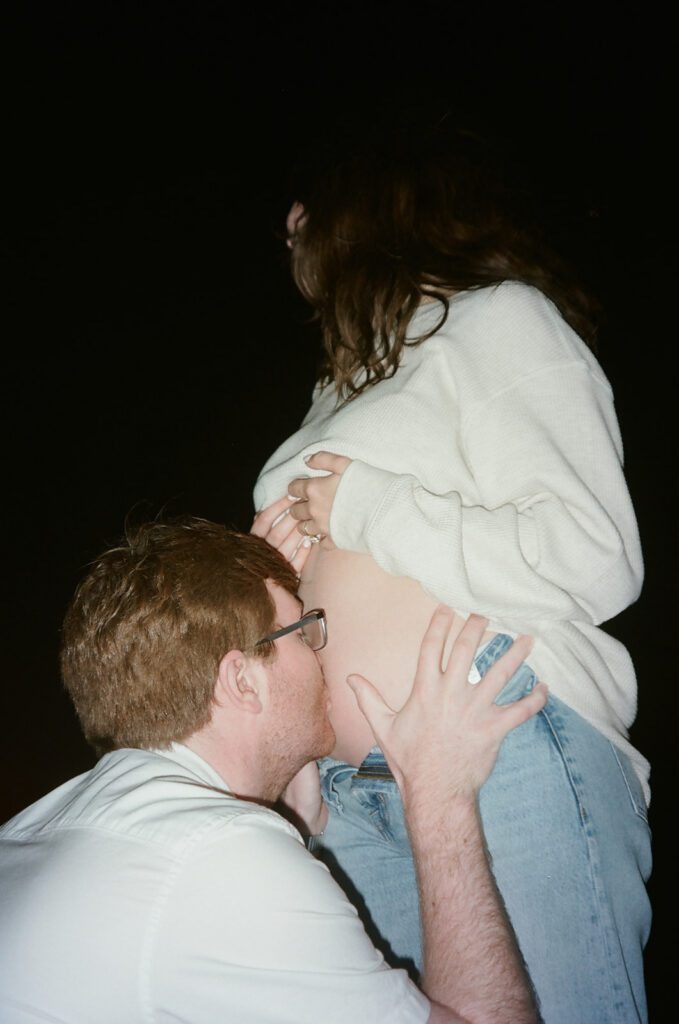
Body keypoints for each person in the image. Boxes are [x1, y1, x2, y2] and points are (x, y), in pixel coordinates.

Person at [252, 124, 652, 1024]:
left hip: (503, 741)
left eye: (310, 204)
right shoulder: (336, 390)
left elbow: (595, 556)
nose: (289, 224)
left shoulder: (500, 318)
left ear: (383, 203)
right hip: (349, 796)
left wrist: (362, 512)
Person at [0, 516, 546, 1024]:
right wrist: (439, 795)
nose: (322, 656)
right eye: (304, 631)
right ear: (242, 680)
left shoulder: (34, 831)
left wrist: (293, 821)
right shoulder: (224, 857)